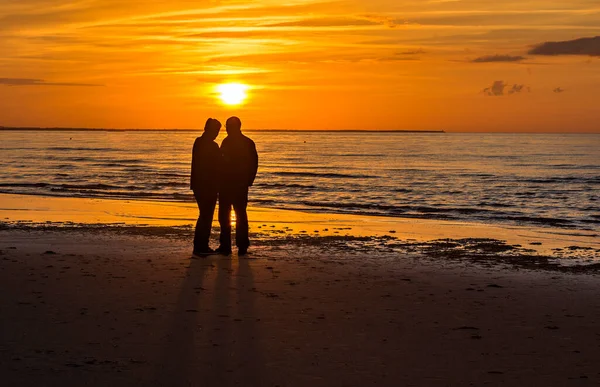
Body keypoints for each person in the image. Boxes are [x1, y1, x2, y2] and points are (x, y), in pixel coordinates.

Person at [216, 116, 258, 256]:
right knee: (230, 215)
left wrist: (248, 180)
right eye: (226, 127)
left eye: (228, 126)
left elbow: (253, 163)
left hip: (235, 184)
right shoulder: (232, 142)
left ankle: (237, 245)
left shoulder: (245, 143)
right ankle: (231, 245)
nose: (226, 129)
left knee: (236, 215)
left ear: (236, 127)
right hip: (230, 184)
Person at [190, 118, 221, 257]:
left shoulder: (198, 142)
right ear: (208, 129)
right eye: (215, 130)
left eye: (218, 131)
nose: (217, 134)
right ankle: (201, 246)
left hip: (198, 185)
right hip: (207, 185)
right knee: (206, 216)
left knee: (204, 215)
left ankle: (200, 245)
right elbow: (217, 165)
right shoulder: (211, 146)